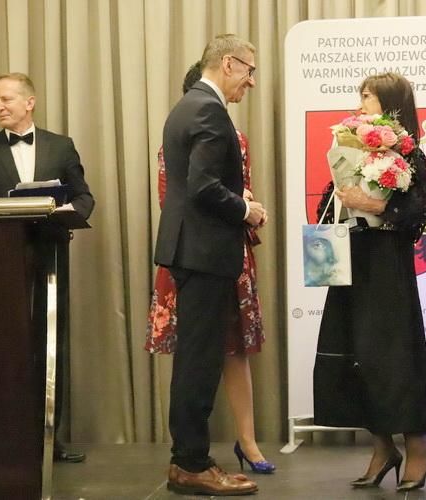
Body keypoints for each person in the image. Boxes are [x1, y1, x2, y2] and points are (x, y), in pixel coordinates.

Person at [0, 72, 94, 463]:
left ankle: (50, 437)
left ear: (29, 102)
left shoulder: (60, 145)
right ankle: (7, 440)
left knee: (51, 345)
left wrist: (70, 212)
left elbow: (84, 197)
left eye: (6, 99)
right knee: (4, 347)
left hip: (50, 256)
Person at [147, 61, 274, 476]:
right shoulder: (206, 112)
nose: (250, 82)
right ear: (227, 66)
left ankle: (204, 454)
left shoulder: (192, 112)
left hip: (210, 250)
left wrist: (242, 203)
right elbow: (196, 189)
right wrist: (243, 207)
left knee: (205, 356)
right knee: (198, 359)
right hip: (202, 250)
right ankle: (191, 462)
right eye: (248, 71)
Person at [313, 72, 426, 492]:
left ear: (391, 104)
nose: (360, 103)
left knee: (394, 354)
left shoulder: (410, 154)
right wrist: (342, 197)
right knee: (355, 351)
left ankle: (417, 448)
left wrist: (375, 205)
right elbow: (330, 200)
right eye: (361, 95)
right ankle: (382, 447)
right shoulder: (351, 147)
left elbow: (417, 213)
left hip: (387, 266)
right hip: (351, 260)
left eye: (368, 96)